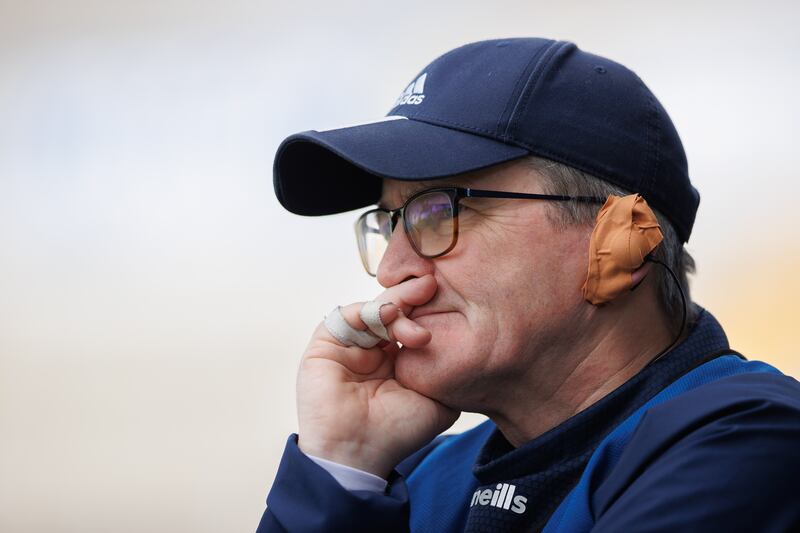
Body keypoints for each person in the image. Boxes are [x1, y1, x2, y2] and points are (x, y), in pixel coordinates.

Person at [257, 38, 800, 532]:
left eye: (438, 211)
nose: (390, 270)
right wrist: (339, 467)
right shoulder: (411, 478)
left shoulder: (748, 441)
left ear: (621, 240)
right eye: (391, 222)